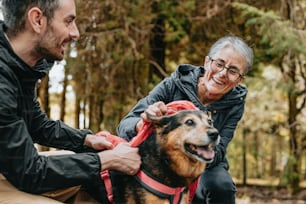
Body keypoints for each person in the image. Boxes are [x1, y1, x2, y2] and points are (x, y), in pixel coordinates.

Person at [0, 0, 141, 203]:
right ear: (37, 20)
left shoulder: (19, 67)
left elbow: (37, 125)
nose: (75, 33)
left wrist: (84, 140)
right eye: (68, 22)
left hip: (11, 169)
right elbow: (30, 172)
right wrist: (108, 160)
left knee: (86, 179)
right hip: (17, 172)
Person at [117, 36, 254, 204]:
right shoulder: (174, 84)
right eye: (219, 63)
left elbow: (221, 147)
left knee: (221, 186)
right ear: (207, 62)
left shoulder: (236, 102)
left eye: (233, 71)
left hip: (206, 159)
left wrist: (197, 158)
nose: (222, 74)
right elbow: (125, 124)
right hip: (164, 157)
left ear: (240, 80)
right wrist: (144, 121)